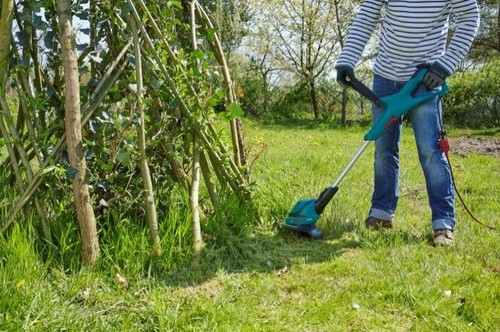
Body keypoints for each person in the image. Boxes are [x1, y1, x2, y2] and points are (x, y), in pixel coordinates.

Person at [335, 0, 480, 246]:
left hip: (426, 78)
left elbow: (469, 18)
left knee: (431, 151)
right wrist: (347, 59)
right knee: (384, 150)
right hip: (386, 76)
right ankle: (381, 214)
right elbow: (367, 14)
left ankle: (443, 224)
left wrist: (444, 66)